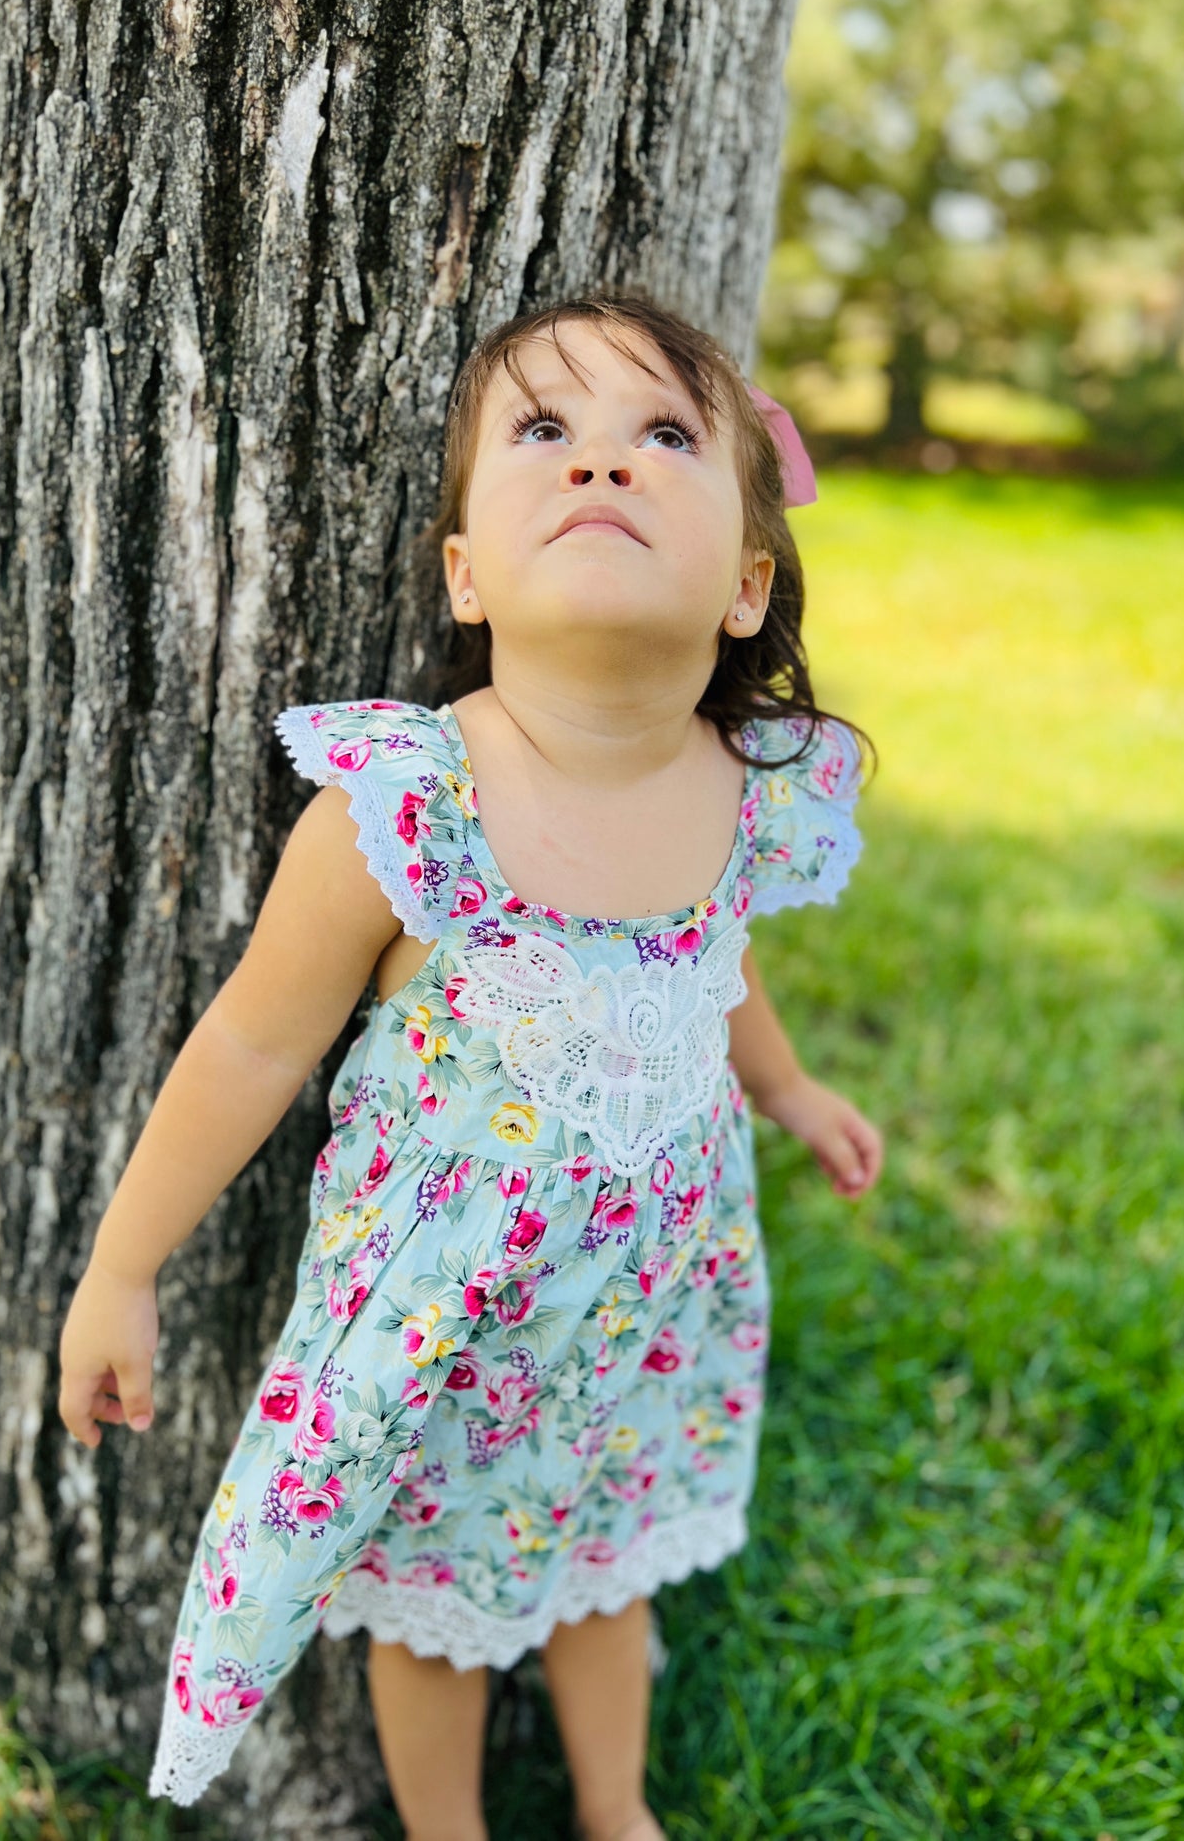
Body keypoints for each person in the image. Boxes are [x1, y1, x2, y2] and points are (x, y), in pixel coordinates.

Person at [58, 289, 885, 1840]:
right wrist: (122, 1264)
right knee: (426, 1601)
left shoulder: (740, 786)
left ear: (743, 585)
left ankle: (615, 1806)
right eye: (544, 435)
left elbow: (712, 973)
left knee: (605, 1558)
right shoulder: (409, 808)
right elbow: (248, 1041)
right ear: (464, 574)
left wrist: (783, 1086)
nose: (600, 469)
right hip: (455, 1327)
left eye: (661, 437)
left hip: (648, 1304)